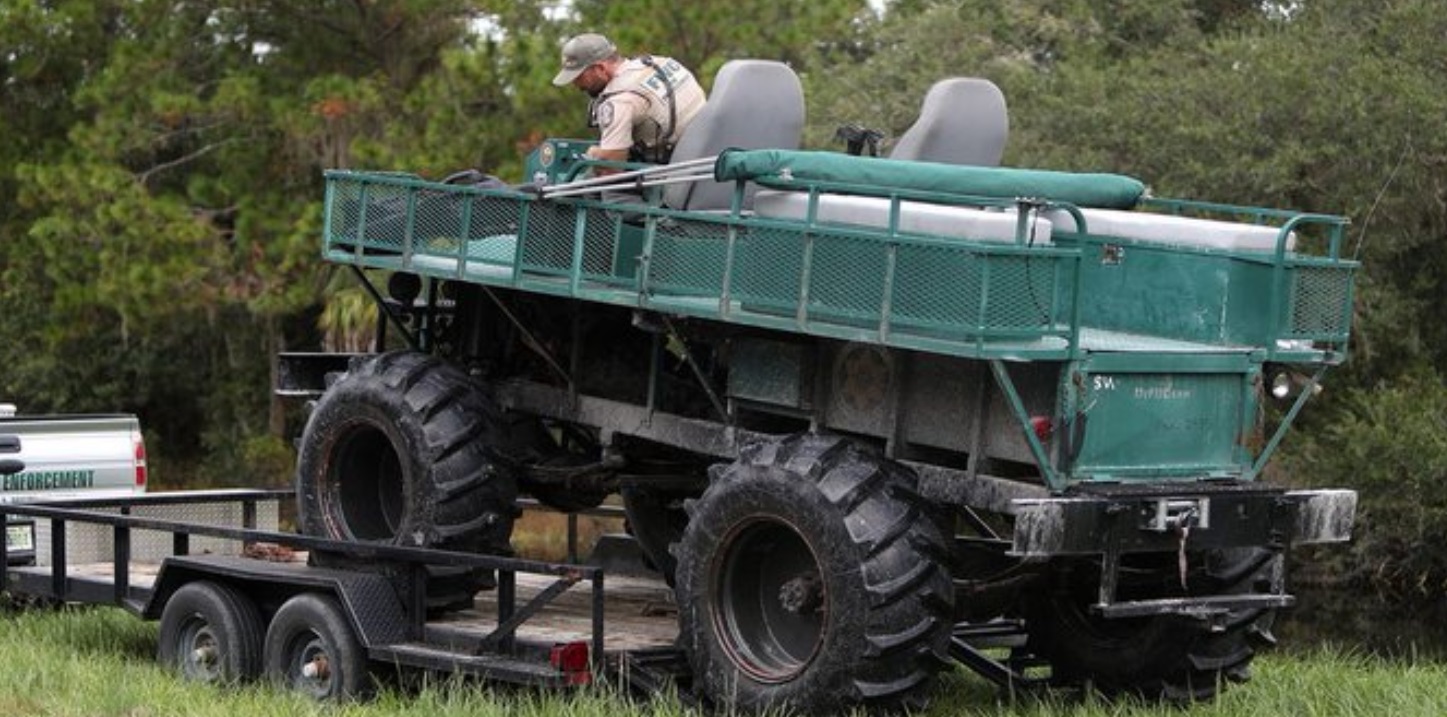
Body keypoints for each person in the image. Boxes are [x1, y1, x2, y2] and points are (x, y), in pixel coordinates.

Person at [552, 33, 707, 172]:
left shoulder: (619, 101)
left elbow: (611, 169)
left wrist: (593, 154)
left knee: (606, 189)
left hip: (671, 173)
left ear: (600, 68)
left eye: (579, 77)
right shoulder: (661, 63)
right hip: (704, 150)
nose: (576, 85)